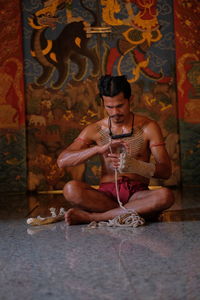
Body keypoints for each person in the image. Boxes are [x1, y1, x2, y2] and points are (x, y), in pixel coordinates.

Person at [57, 75, 174, 225]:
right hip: (106, 196)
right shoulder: (96, 129)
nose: (114, 112)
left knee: (165, 196)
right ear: (103, 103)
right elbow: (62, 160)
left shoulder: (148, 127)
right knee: (70, 189)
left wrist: (136, 166)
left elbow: (166, 171)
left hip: (137, 195)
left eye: (120, 106)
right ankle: (137, 212)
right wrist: (98, 149)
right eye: (109, 107)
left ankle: (95, 217)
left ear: (130, 100)